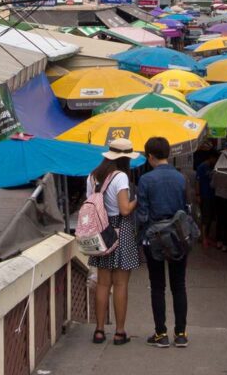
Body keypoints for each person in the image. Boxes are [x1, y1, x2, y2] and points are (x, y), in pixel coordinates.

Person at [136, 136, 190, 348]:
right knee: (179, 285)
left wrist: (141, 236)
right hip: (178, 236)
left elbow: (142, 214)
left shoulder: (146, 180)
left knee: (157, 286)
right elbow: (187, 208)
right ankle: (181, 333)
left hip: (154, 237)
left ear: (150, 156)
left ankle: (161, 334)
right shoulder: (181, 178)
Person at [86, 138, 139, 346]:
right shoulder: (121, 177)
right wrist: (138, 199)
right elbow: (125, 209)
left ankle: (99, 330)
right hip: (120, 230)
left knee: (102, 283)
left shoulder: (92, 176)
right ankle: (119, 332)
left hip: (99, 231)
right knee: (121, 284)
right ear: (125, 158)